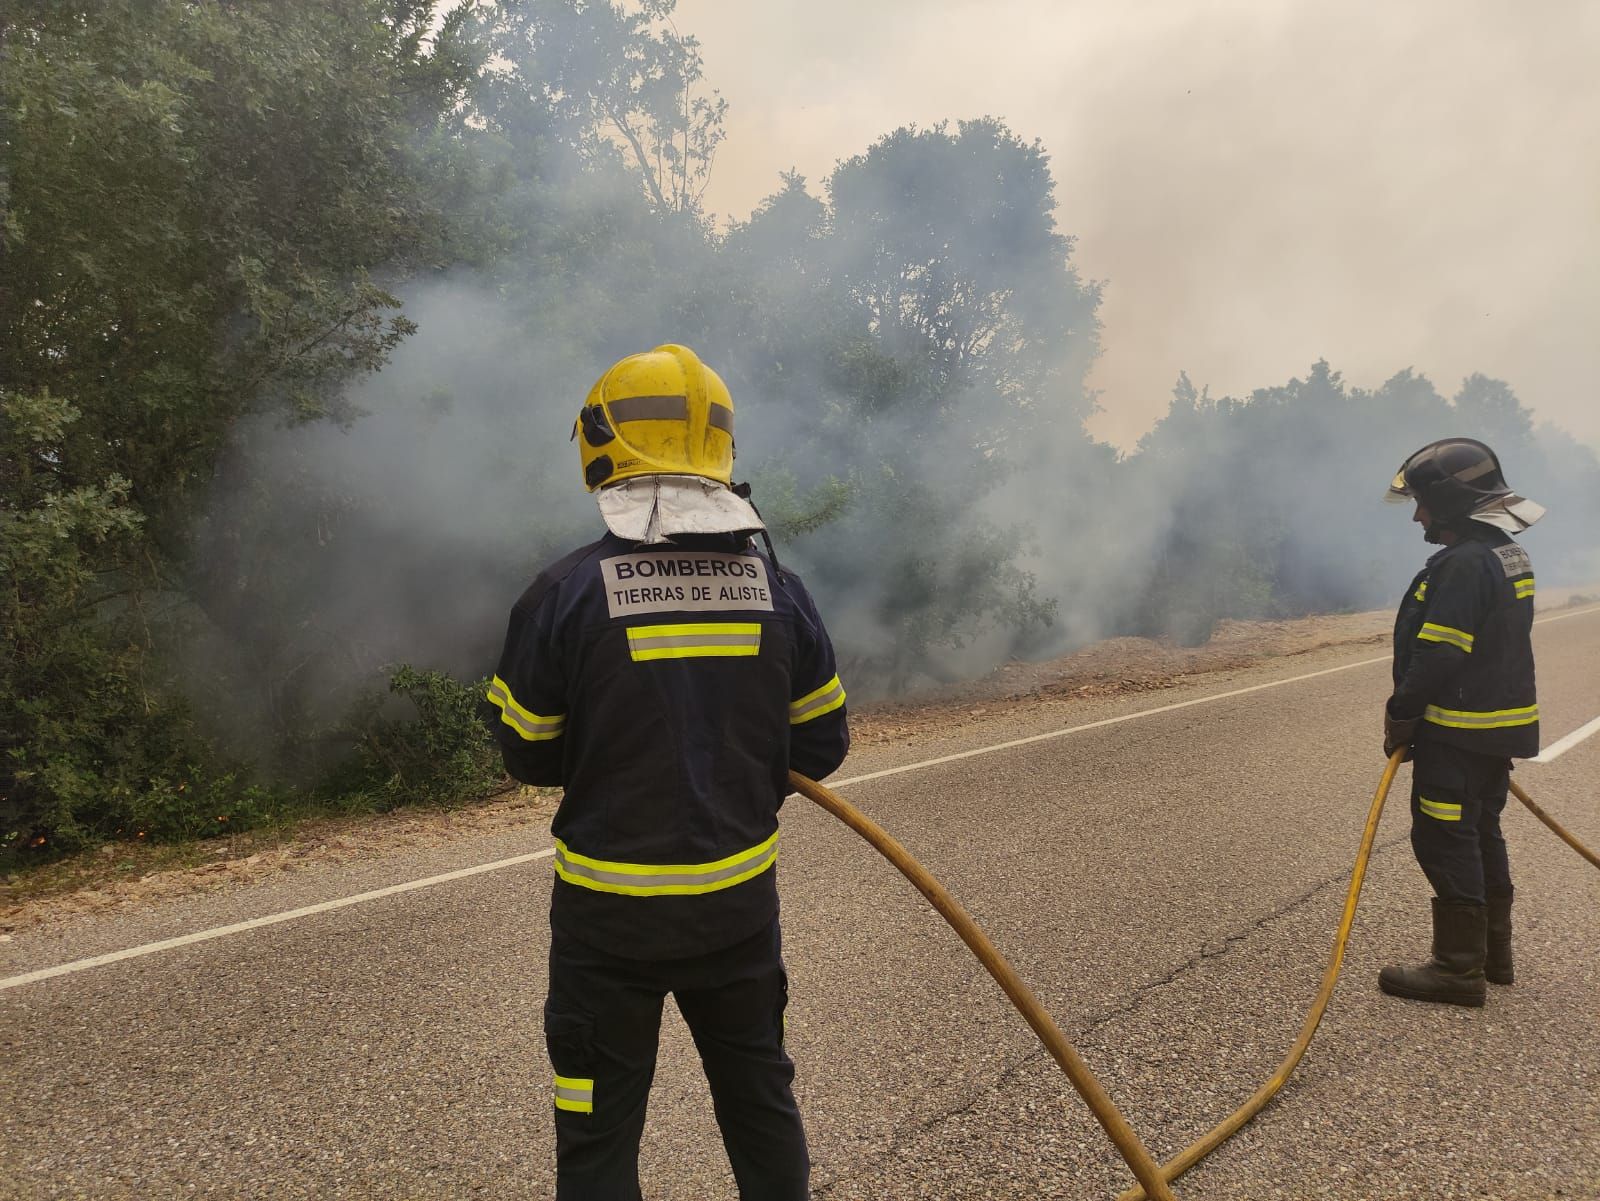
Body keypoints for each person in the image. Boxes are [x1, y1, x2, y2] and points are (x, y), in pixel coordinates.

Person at [486, 344, 849, 1199]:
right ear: (721, 449)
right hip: (736, 914)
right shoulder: (780, 590)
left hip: (607, 925)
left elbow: (528, 752)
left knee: (598, 1131)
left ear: (601, 443)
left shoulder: (563, 594)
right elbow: (820, 746)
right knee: (759, 1101)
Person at [1379, 436, 1544, 1007]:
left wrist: (1402, 712)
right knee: (1480, 830)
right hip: (1494, 730)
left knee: (1444, 836)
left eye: (1423, 503)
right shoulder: (1506, 553)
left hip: (1457, 730)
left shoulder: (1463, 564)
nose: (1418, 517)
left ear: (1450, 502)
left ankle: (1457, 969)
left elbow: (1440, 651)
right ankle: (1495, 955)